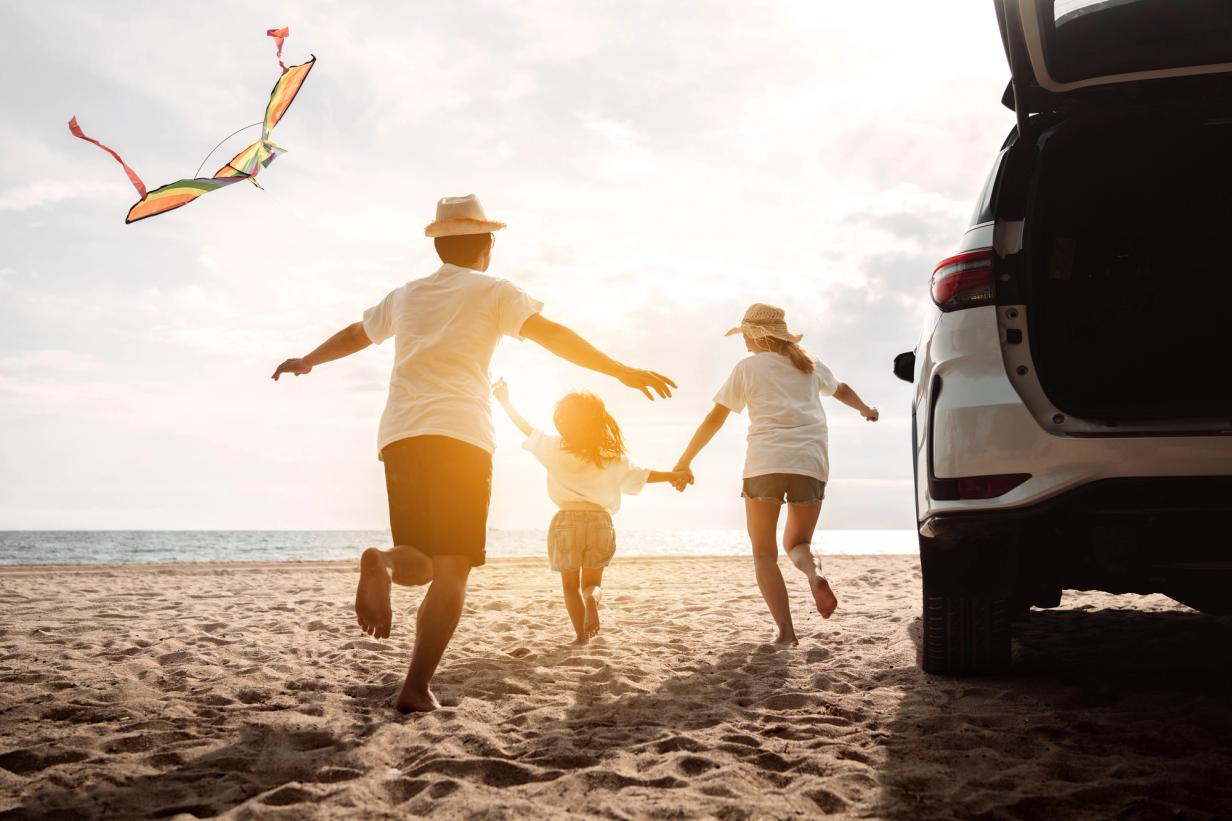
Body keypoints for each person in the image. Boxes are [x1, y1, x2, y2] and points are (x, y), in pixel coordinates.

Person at [271, 195, 675, 712]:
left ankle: (384, 564)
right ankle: (415, 688)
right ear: (487, 245)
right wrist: (620, 370)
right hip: (461, 436)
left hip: (401, 434)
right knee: (453, 567)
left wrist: (308, 360)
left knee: (418, 560)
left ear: (439, 245)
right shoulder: (496, 292)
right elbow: (553, 337)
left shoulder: (407, 295)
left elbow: (356, 334)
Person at [672, 303, 878, 645]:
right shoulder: (810, 366)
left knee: (764, 554)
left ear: (756, 335)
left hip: (765, 464)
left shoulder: (748, 368)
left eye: (745, 336)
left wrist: (684, 461)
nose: (743, 343)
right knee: (798, 544)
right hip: (809, 464)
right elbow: (841, 389)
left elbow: (715, 418)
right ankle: (815, 574)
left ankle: (786, 632)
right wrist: (865, 409)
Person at [492, 378, 692, 645]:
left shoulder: (553, 447)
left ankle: (581, 637)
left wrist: (505, 401)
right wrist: (674, 475)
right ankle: (592, 598)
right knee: (591, 583)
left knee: (568, 586)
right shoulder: (611, 456)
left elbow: (526, 429)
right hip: (599, 521)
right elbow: (644, 475)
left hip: (566, 520)